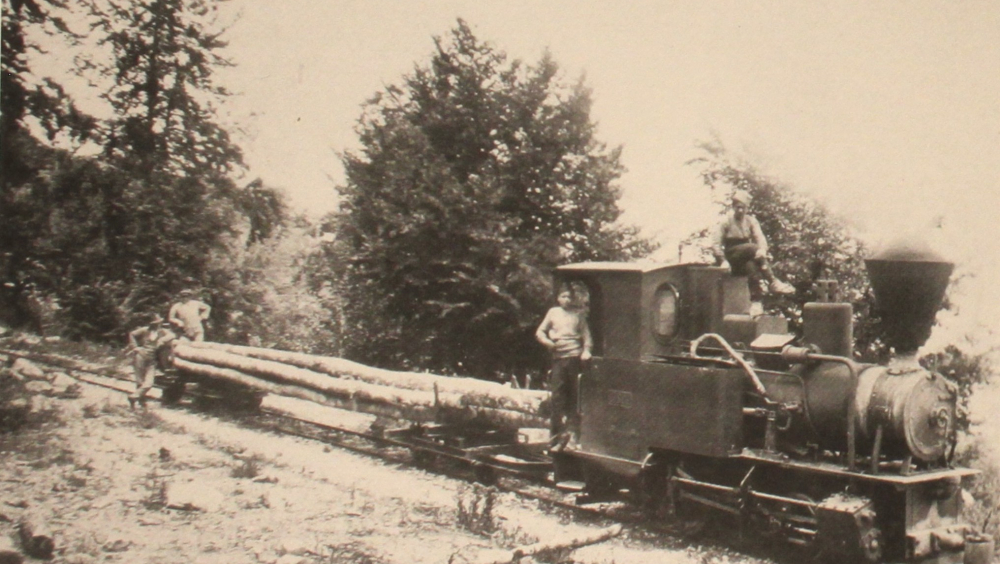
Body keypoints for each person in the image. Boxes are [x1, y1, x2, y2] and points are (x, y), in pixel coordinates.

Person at [711, 190, 795, 316]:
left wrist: (762, 250)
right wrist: (722, 260)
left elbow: (760, 237)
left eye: (743, 208)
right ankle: (773, 281)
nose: (740, 210)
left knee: (751, 265)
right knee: (752, 248)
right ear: (733, 207)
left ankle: (756, 302)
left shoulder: (751, 221)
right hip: (731, 255)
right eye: (738, 207)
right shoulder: (726, 221)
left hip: (745, 257)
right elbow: (716, 243)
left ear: (747, 208)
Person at [535, 286, 592, 452]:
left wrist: (586, 351)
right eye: (563, 296)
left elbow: (587, 336)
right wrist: (548, 343)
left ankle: (572, 438)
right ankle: (555, 438)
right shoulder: (553, 313)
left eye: (569, 297)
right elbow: (540, 332)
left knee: (575, 399)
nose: (567, 300)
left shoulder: (578, 316)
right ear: (558, 298)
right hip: (558, 358)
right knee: (557, 398)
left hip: (574, 358)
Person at [125, 314, 173, 409]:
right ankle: (140, 404)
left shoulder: (162, 332)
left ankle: (133, 396)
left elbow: (172, 335)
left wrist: (163, 340)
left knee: (148, 384)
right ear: (152, 324)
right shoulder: (145, 330)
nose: (158, 325)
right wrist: (135, 347)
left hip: (151, 360)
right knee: (139, 382)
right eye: (156, 323)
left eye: (159, 323)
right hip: (140, 356)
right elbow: (132, 334)